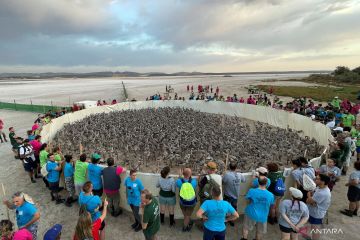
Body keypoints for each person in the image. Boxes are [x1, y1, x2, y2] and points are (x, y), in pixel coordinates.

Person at [306, 174, 331, 240]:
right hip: (314, 211)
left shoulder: (323, 193)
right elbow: (313, 202)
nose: (315, 179)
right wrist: (312, 200)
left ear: (322, 182)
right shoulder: (319, 187)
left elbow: (309, 201)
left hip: (317, 213)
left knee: (315, 228)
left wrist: (308, 195)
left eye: (317, 179)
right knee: (313, 227)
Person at [222, 162, 246, 226]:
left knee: (225, 208)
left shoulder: (227, 175)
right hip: (235, 196)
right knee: (234, 209)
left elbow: (223, 182)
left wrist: (224, 174)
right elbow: (244, 180)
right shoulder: (239, 175)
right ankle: (232, 220)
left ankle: (224, 221)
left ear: (229, 167)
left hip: (227, 195)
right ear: (236, 168)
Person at [176, 168, 197, 232]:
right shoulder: (194, 181)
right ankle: (185, 227)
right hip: (191, 202)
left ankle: (187, 221)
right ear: (190, 174)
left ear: (183, 174)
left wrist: (180, 176)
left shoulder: (179, 181)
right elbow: (194, 187)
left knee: (185, 214)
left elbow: (179, 184)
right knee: (188, 215)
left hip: (182, 202)